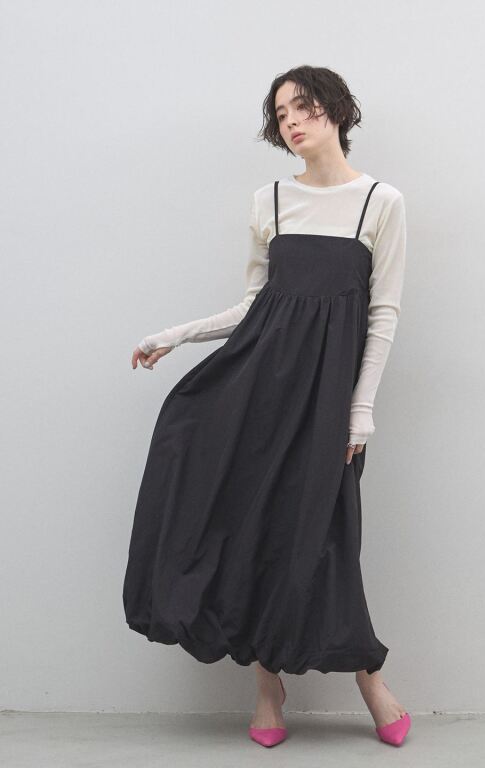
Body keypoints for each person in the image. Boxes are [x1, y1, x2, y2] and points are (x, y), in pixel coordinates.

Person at [123, 65, 410, 748]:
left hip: (327, 403)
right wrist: (175, 335)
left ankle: (370, 678)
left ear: (336, 110)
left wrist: (360, 412)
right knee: (255, 532)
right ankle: (266, 689)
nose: (292, 121)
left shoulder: (380, 203)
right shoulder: (270, 201)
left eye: (303, 107)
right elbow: (255, 306)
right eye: (281, 114)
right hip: (257, 392)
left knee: (325, 537)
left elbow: (384, 315)